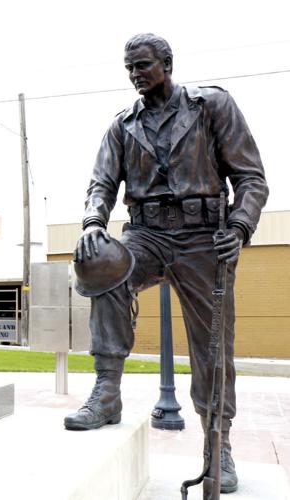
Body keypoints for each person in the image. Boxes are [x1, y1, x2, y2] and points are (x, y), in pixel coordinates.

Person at [64, 33, 268, 494]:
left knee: (212, 345)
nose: (136, 75)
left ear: (168, 64)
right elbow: (100, 183)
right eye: (130, 68)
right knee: (102, 267)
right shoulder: (122, 126)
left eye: (143, 65)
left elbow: (252, 179)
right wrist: (94, 221)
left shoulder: (211, 106)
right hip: (147, 233)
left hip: (203, 238)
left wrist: (239, 227)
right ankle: (107, 393)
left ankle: (219, 445)